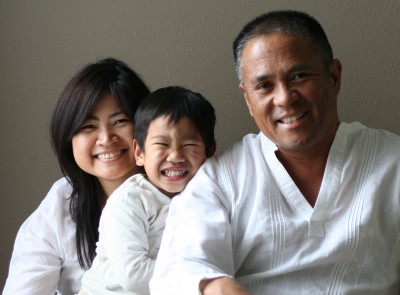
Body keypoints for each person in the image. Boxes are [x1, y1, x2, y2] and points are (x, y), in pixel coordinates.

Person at [150, 10, 400, 294]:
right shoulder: (221, 179)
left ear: (334, 77)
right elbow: (177, 270)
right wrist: (214, 287)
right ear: (247, 98)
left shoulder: (393, 163)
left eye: (299, 76)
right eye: (264, 85)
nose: (284, 98)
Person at [3, 58, 150, 295]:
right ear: (68, 136)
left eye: (120, 121)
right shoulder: (59, 205)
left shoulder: (182, 191)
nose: (106, 138)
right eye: (88, 126)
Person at [77, 86, 216, 295]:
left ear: (210, 151)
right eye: (162, 144)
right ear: (139, 152)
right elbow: (134, 276)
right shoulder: (130, 200)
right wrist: (200, 276)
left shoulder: (208, 198)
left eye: (189, 144)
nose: (175, 156)